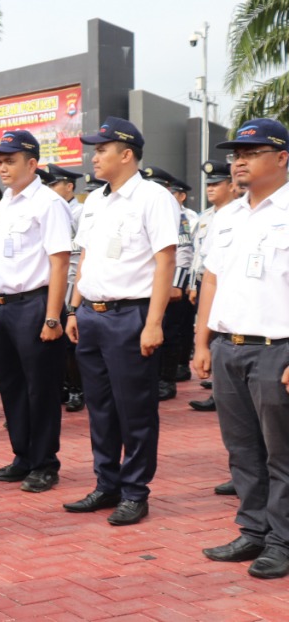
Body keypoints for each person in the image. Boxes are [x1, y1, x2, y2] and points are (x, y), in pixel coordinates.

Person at [64, 117, 178, 526]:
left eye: (102, 150)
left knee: (136, 410)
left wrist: (155, 322)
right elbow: (85, 258)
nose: (94, 158)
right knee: (100, 408)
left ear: (126, 154)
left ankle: (135, 492)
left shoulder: (153, 198)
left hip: (132, 315)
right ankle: (106, 483)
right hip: (92, 316)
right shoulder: (95, 201)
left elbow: (167, 261)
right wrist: (75, 307)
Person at [193, 118, 289, 580]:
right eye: (236, 155)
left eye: (250, 153)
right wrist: (202, 341)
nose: (239, 162)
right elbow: (211, 279)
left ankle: (282, 540)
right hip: (229, 347)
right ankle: (253, 529)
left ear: (282, 158)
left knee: (282, 452)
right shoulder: (227, 216)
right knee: (242, 450)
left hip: (278, 349)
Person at [0, 132, 72, 493]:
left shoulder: (48, 203)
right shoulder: (6, 202)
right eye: (0, 160)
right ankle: (22, 456)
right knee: (13, 386)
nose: (2, 166)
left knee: (42, 388)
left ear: (32, 164)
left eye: (11, 160)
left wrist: (53, 317)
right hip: (4, 306)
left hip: (35, 305)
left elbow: (60, 262)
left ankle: (45, 462)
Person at [143, 166, 196, 401]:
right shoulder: (144, 206)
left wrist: (176, 284)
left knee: (171, 332)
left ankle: (167, 380)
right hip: (148, 285)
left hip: (169, 283)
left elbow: (184, 250)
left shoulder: (175, 211)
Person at [189, 160, 238, 412]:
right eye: (208, 185)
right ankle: (219, 391)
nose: (210, 189)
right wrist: (192, 284)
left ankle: (220, 392)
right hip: (205, 281)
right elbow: (198, 256)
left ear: (232, 186)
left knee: (222, 336)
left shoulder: (238, 214)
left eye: (216, 184)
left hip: (227, 284)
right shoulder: (207, 218)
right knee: (211, 337)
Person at [47, 164, 87, 413]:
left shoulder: (80, 212)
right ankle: (62, 385)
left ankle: (77, 389)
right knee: (56, 340)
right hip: (55, 283)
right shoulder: (51, 210)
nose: (51, 189)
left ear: (69, 186)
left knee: (73, 342)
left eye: (55, 184)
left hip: (74, 282)